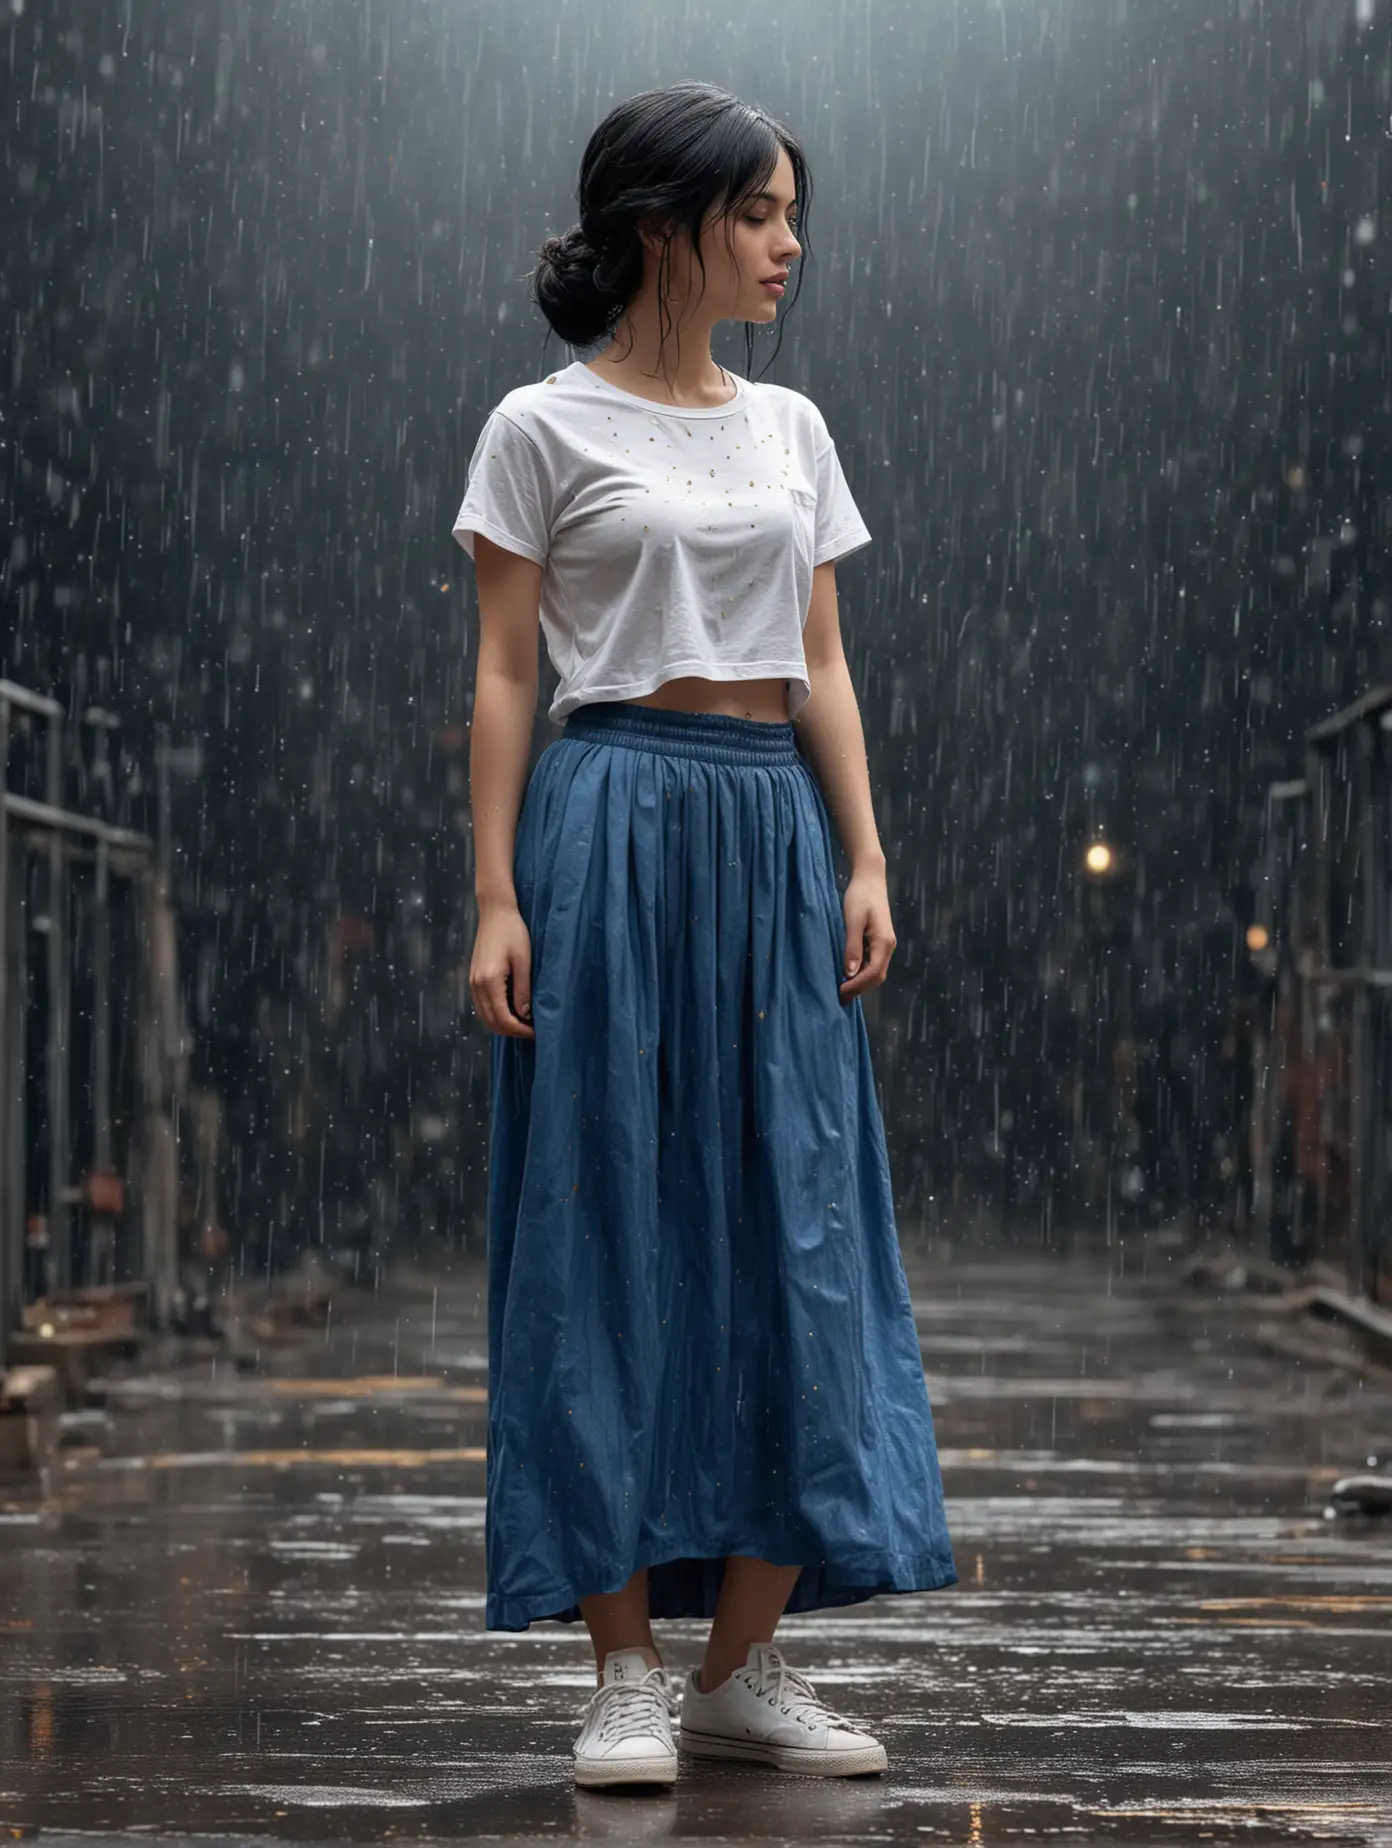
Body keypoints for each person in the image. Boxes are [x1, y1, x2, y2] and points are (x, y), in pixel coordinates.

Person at [452, 80, 955, 1791]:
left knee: (793, 1224)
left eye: (790, 214)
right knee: (601, 1226)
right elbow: (510, 671)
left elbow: (822, 661)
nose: (788, 244)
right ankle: (621, 1675)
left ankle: (744, 1662)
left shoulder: (792, 427)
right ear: (662, 227)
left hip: (767, 827)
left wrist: (867, 857)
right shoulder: (538, 427)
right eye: (757, 215)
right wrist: (498, 889)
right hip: (610, 822)